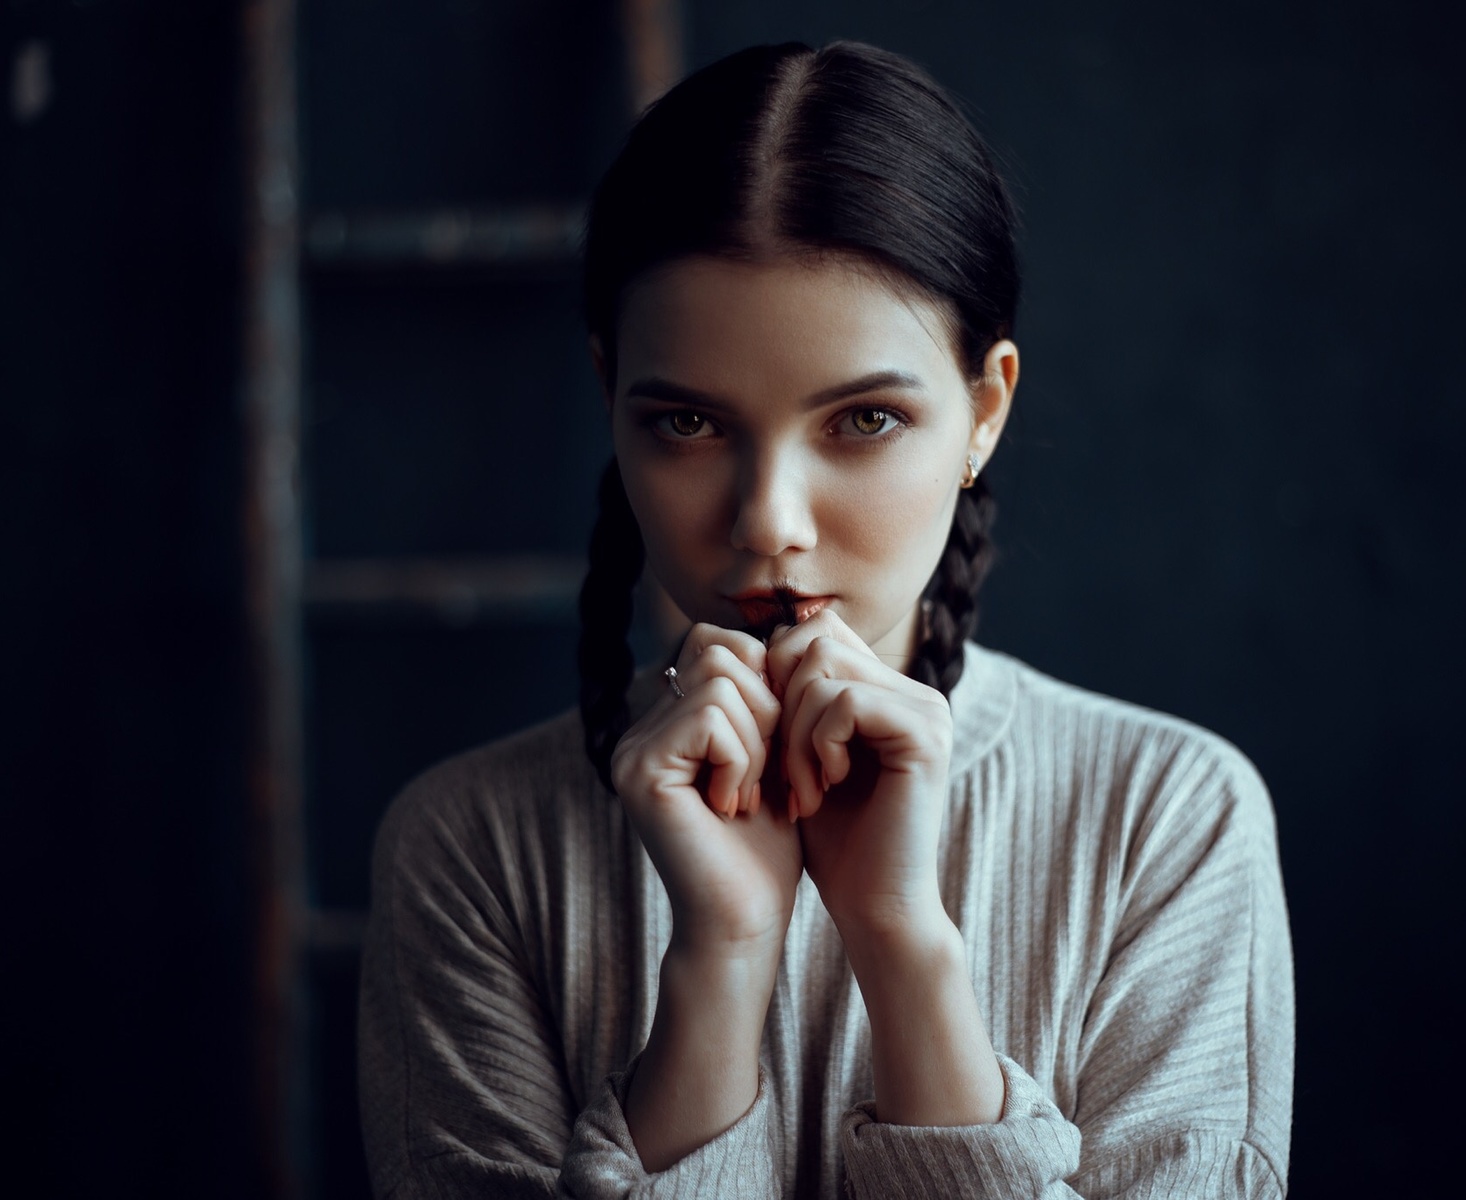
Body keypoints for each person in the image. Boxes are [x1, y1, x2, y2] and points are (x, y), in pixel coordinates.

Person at [358, 40, 1293, 1199]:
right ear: (610, 397)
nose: (768, 522)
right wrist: (718, 964)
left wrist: (903, 943)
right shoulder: (470, 848)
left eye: (861, 421)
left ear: (984, 409)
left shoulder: (1167, 820)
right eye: (689, 425)